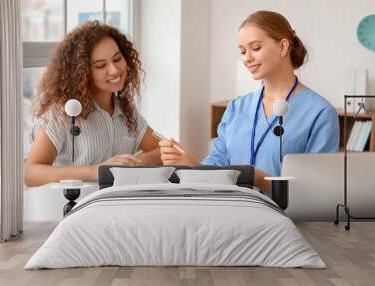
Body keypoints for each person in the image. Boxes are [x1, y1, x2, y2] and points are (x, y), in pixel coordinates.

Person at [159, 10, 339, 192]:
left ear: (283, 47)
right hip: (233, 211)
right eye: (243, 51)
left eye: (256, 48)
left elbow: (317, 189)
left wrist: (260, 180)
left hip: (283, 217)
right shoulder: (236, 107)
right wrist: (190, 164)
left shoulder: (320, 112)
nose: (247, 58)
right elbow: (217, 166)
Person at [24, 21, 161, 187]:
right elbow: (31, 173)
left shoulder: (126, 112)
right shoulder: (62, 114)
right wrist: (97, 170)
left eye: (117, 59)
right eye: (101, 65)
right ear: (82, 73)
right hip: (70, 208)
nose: (114, 70)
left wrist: (134, 162)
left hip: (113, 206)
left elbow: (163, 150)